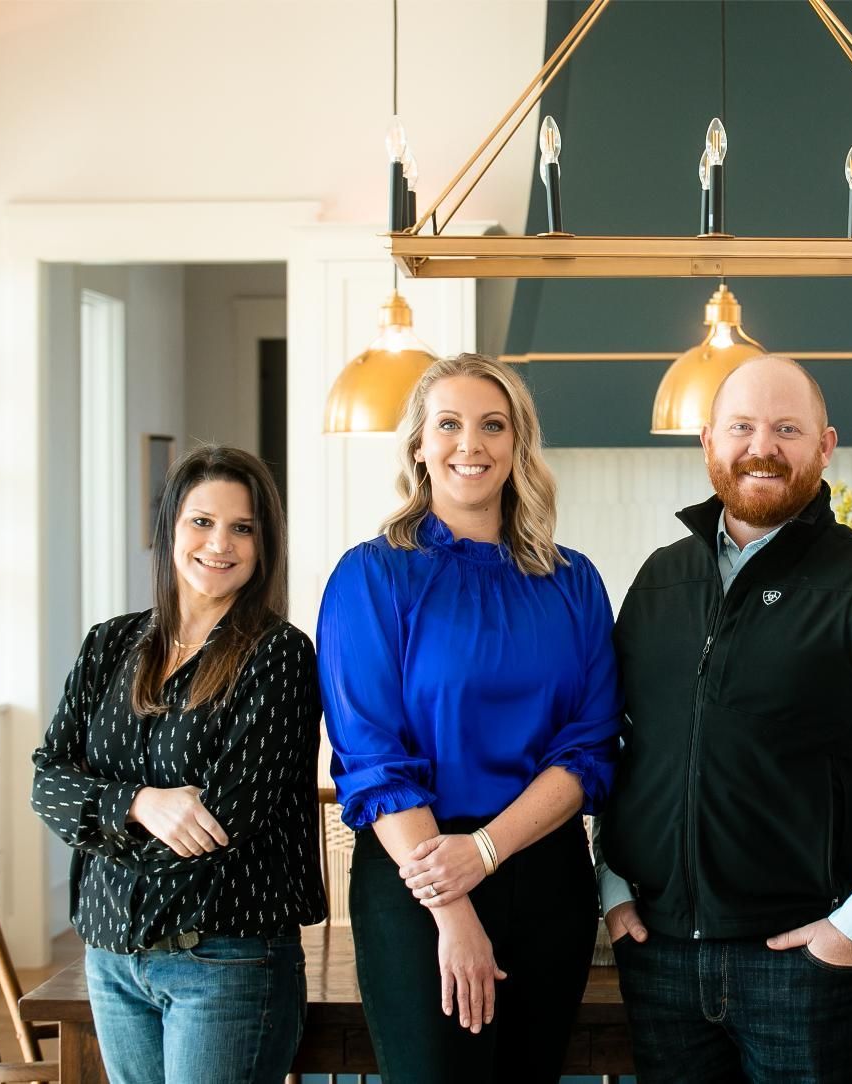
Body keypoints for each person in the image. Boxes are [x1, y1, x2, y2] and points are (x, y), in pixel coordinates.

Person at [594, 354, 852, 1083]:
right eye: (741, 426)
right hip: (663, 957)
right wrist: (613, 890)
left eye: (786, 428)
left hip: (806, 963)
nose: (761, 446)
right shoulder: (658, 580)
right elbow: (620, 744)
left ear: (825, 447)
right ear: (708, 441)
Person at [317, 352, 620, 1082]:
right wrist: (453, 908)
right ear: (419, 443)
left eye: (493, 425)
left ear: (518, 445)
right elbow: (371, 755)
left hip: (546, 874)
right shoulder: (371, 575)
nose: (470, 444)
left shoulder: (573, 582)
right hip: (416, 878)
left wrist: (488, 850)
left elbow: (588, 747)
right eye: (448, 424)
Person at [32, 445, 323, 1084]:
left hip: (223, 960)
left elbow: (225, 822)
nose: (220, 543)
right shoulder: (110, 642)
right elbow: (46, 778)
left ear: (264, 543)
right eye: (202, 521)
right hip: (111, 958)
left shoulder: (278, 655)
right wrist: (140, 803)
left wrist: (99, 821)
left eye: (242, 528)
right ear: (170, 530)